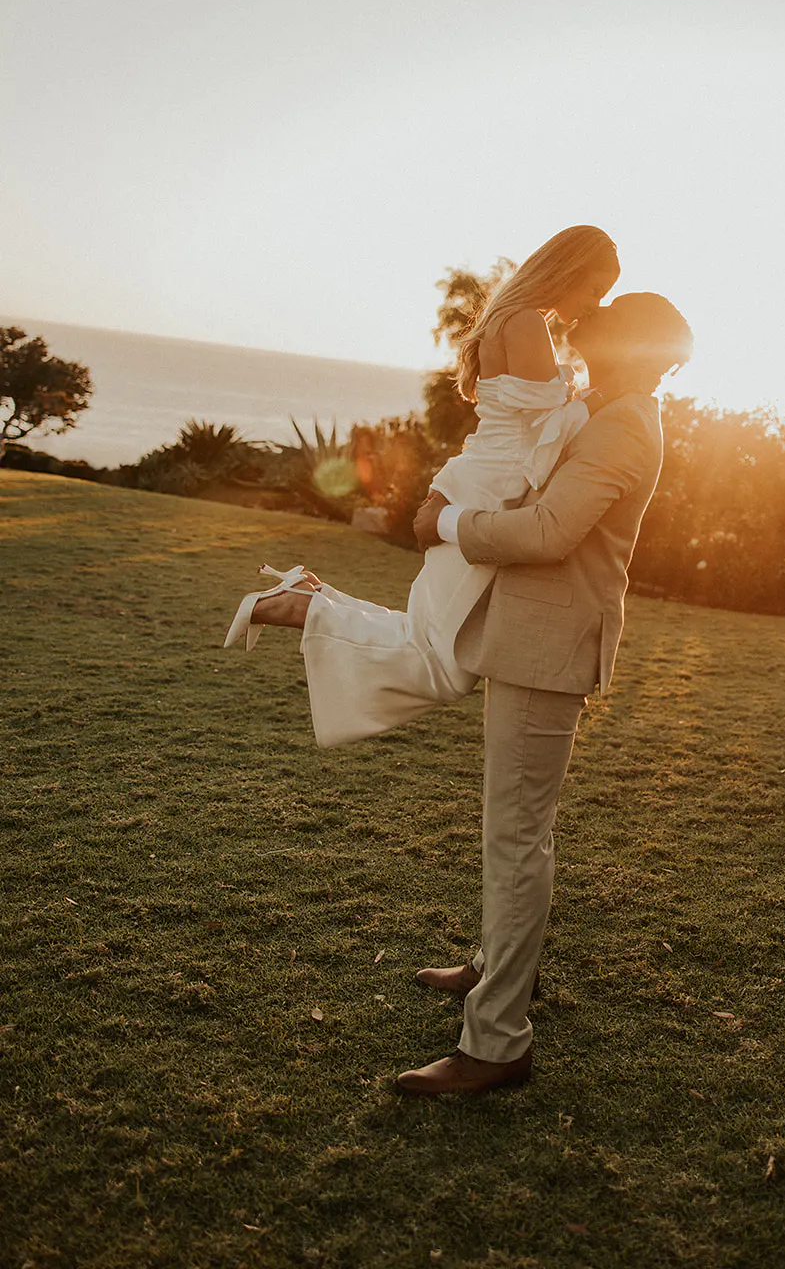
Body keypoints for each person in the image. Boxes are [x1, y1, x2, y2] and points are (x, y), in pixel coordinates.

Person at [395, 290, 693, 1096]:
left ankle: (497, 1042)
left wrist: (443, 523)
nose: (584, 320)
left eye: (602, 316)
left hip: (549, 649)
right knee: (514, 831)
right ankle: (494, 965)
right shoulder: (599, 408)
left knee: (516, 839)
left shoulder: (623, 424)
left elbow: (548, 532)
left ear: (631, 344)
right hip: (532, 639)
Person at [222, 226, 620, 745]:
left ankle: (310, 596)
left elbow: (531, 425)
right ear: (568, 269)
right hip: (488, 493)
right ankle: (301, 606)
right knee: (444, 663)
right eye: (595, 289)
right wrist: (603, 398)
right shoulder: (525, 323)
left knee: (431, 640)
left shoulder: (512, 318)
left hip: (483, 484)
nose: (595, 304)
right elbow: (545, 434)